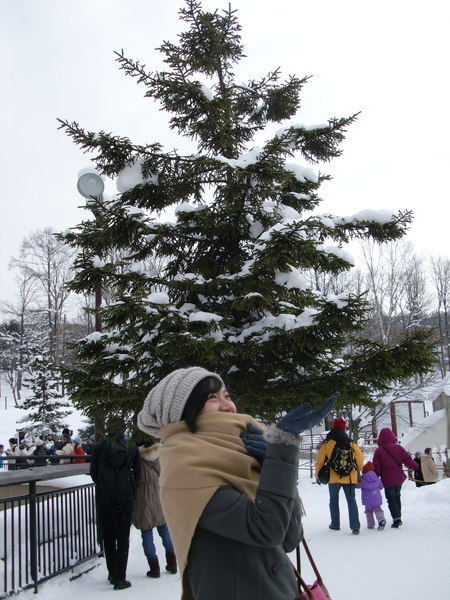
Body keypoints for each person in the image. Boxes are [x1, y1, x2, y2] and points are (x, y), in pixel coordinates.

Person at [137, 366, 338, 600]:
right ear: (184, 412)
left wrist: (272, 466)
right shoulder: (185, 470)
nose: (228, 406)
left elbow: (290, 537)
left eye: (227, 395)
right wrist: (282, 452)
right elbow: (267, 528)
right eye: (212, 397)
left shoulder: (241, 453)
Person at [90, 421, 142, 590]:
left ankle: (112, 573)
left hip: (105, 498)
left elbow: (94, 473)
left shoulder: (98, 448)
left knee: (108, 535)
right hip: (125, 498)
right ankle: (121, 577)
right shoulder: (132, 448)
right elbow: (138, 474)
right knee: (123, 537)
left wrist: (103, 486)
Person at [132, 438, 177, 578]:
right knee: (164, 530)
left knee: (147, 534)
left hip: (143, 498)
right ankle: (173, 563)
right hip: (159, 496)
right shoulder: (160, 455)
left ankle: (154, 568)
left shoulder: (137, 459)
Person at [314, 417, 364, 534]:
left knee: (334, 500)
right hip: (349, 477)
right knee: (351, 500)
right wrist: (357, 470)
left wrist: (318, 475)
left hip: (333, 477)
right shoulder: (351, 442)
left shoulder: (328, 442)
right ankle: (355, 526)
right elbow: (360, 459)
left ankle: (335, 524)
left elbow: (320, 460)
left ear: (334, 427)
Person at [372, 427, 419, 528]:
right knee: (397, 497)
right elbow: (407, 460)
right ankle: (398, 517)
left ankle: (396, 518)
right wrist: (416, 467)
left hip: (387, 479)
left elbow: (377, 466)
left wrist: (374, 477)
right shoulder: (399, 448)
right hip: (398, 478)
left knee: (391, 499)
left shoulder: (379, 451)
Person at [356, 461, 386, 530]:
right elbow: (381, 487)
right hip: (376, 498)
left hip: (367, 499)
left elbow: (357, 485)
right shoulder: (377, 479)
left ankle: (370, 524)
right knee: (378, 510)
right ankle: (381, 520)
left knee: (368, 511)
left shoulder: (363, 479)